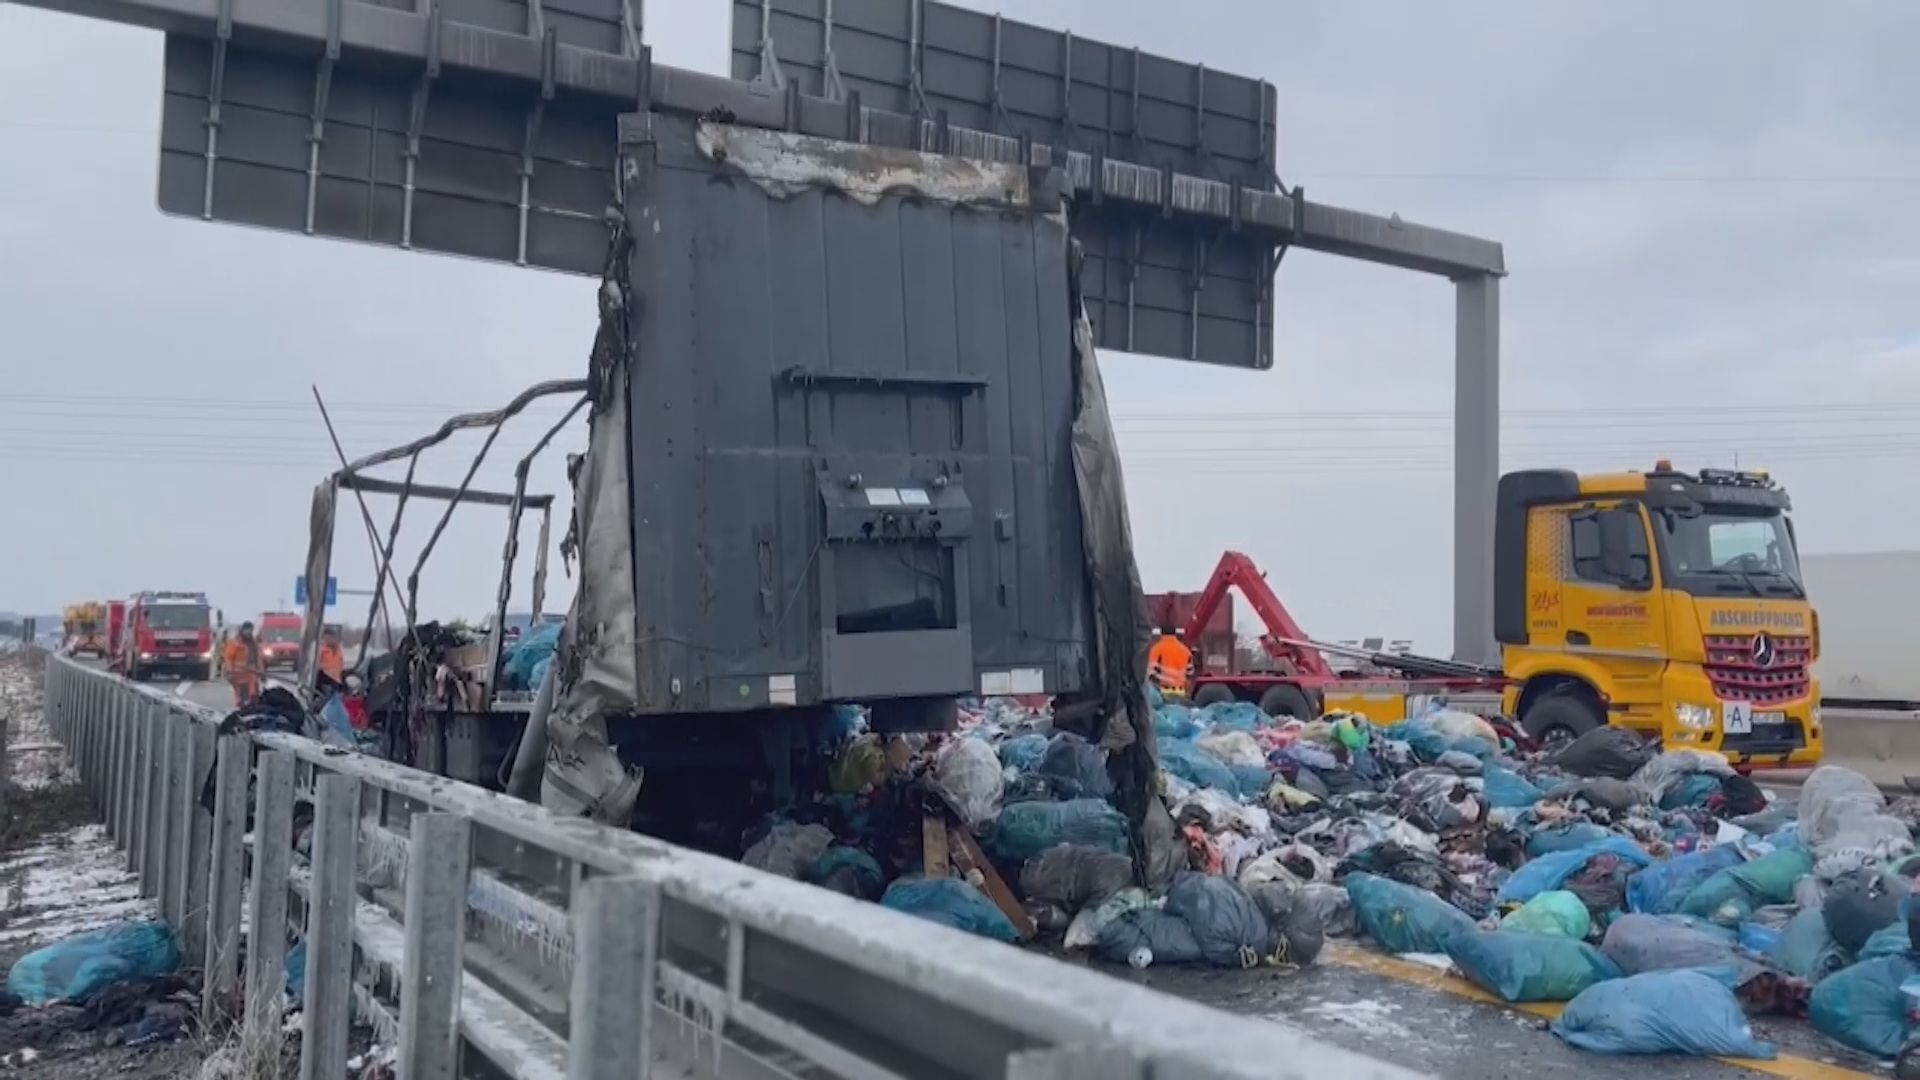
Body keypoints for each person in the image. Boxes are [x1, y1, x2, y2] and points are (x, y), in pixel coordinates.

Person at [223, 621, 264, 708]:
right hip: (239, 676)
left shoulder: (254, 644)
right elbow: (228, 658)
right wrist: (229, 672)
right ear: (242, 630)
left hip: (252, 675)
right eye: (246, 630)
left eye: (250, 630)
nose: (248, 632)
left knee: (254, 697)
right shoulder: (235, 643)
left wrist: (262, 672)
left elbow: (258, 659)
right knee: (242, 700)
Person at [1147, 626, 1192, 699]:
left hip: (1162, 692)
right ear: (1175, 634)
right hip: (1180, 692)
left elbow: (1150, 672)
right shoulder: (1185, 650)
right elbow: (1189, 673)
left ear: (1161, 634)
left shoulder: (1157, 649)